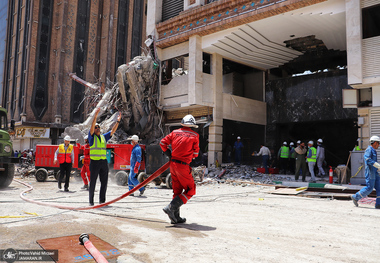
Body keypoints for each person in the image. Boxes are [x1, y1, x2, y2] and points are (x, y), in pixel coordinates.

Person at [160, 114, 200, 224]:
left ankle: (175, 218)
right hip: (183, 166)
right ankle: (171, 208)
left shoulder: (174, 133)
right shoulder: (195, 136)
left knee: (177, 191)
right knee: (191, 190)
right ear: (192, 125)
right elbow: (196, 154)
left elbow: (162, 143)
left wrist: (170, 155)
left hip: (173, 165)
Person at [88, 108, 121, 206]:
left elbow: (112, 131)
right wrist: (95, 116)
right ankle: (91, 201)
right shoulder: (91, 137)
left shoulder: (103, 137)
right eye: (96, 128)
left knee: (104, 182)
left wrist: (118, 121)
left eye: (99, 128)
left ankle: (102, 201)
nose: (97, 129)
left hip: (103, 162)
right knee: (93, 182)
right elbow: (92, 127)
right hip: (94, 163)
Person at [351, 136, 380, 209]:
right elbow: (367, 159)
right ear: (375, 142)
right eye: (378, 143)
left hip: (375, 172)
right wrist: (376, 165)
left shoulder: (373, 150)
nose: (379, 145)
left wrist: (377, 168)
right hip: (370, 172)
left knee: (379, 187)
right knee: (369, 188)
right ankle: (355, 197)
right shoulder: (369, 149)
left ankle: (378, 204)